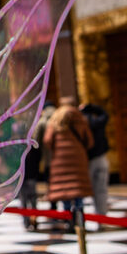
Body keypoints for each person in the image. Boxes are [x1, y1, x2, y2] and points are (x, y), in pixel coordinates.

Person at [44, 97, 94, 226]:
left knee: (64, 190)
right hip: (78, 159)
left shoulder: (55, 119)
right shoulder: (79, 118)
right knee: (77, 189)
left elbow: (47, 140)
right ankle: (80, 217)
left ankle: (68, 219)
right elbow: (89, 141)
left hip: (60, 160)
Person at [22, 101, 55, 231]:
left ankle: (27, 221)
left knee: (25, 199)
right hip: (34, 171)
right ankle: (36, 218)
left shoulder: (42, 123)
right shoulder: (57, 120)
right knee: (33, 198)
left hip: (24, 174)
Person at [81, 102, 110, 215]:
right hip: (101, 158)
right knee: (101, 189)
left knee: (88, 189)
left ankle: (88, 216)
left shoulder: (81, 124)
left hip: (88, 160)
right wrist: (93, 107)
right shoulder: (97, 121)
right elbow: (105, 114)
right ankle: (101, 216)